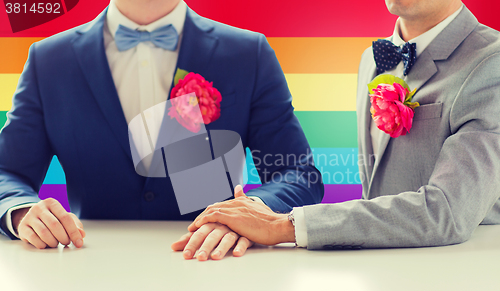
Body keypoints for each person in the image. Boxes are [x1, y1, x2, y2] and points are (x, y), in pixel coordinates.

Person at [0, 0, 324, 256]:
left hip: (216, 266)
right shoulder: (49, 59)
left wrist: (250, 213)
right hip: (89, 266)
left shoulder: (248, 53)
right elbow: (7, 171)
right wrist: (20, 211)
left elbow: (298, 173)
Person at [177, 0, 500, 254]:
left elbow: (449, 212)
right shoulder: (372, 59)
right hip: (380, 266)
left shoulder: (491, 62)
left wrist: (283, 226)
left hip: (457, 268)